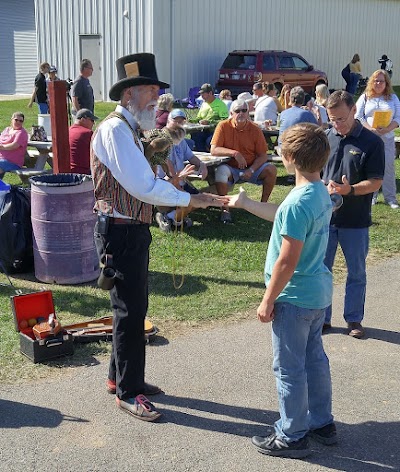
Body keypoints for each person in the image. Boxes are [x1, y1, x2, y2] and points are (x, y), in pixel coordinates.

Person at [91, 53, 226, 422]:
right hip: (119, 231)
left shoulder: (130, 128)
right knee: (130, 310)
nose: (156, 96)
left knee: (132, 308)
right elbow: (142, 186)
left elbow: (145, 181)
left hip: (130, 228)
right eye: (151, 89)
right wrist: (190, 198)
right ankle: (129, 392)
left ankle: (119, 377)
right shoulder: (116, 130)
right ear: (131, 92)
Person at [228, 123, 335, 459]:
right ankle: (321, 422)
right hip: (317, 294)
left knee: (289, 368)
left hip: (294, 298)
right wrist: (245, 203)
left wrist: (267, 299)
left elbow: (286, 263)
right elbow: (283, 217)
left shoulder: (297, 202)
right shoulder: (318, 192)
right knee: (314, 358)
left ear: (288, 158)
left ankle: (292, 434)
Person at [322, 90, 385, 338]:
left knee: (356, 272)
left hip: (355, 221)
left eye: (341, 118)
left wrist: (349, 190)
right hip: (326, 218)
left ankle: (354, 319)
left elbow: (375, 182)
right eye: (332, 119)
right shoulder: (327, 137)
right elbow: (315, 171)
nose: (337, 124)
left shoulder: (372, 142)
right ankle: (323, 319)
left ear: (354, 111)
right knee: (322, 270)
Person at [211, 99, 277, 223]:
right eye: (237, 111)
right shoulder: (223, 125)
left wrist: (251, 170)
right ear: (231, 113)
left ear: (248, 113)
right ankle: (225, 209)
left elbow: (263, 155)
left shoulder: (255, 129)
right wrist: (235, 153)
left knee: (271, 169)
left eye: (244, 110)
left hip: (252, 167)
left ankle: (262, 206)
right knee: (220, 171)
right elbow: (214, 150)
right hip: (231, 167)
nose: (241, 113)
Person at [155, 109, 209, 232]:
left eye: (182, 121)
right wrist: (182, 186)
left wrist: (202, 164)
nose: (179, 123)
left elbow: (190, 157)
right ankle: (171, 216)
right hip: (165, 183)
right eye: (176, 120)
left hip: (178, 180)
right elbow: (170, 174)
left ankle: (172, 216)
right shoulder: (161, 140)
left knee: (201, 197)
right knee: (193, 200)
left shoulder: (180, 138)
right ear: (168, 121)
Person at [355, 70, 400, 209]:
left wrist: (387, 129)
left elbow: (398, 117)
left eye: (381, 81)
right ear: (371, 82)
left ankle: (390, 198)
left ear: (386, 83)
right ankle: (371, 195)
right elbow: (358, 116)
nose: (379, 83)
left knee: (388, 167)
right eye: (376, 81)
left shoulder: (393, 98)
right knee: (370, 167)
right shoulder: (365, 97)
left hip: (387, 137)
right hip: (369, 138)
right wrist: (370, 129)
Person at [190, 83, 228, 151]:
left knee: (209, 141)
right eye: (200, 94)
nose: (201, 96)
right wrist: (190, 121)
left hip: (215, 131)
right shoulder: (204, 104)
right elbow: (199, 118)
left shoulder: (220, 104)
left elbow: (225, 121)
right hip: (203, 131)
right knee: (195, 136)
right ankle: (201, 155)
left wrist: (209, 122)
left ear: (210, 93)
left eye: (203, 94)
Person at [0, 112, 29, 179]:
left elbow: (14, 145)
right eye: (16, 120)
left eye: (21, 121)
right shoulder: (7, 130)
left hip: (13, 162)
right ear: (12, 119)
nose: (18, 122)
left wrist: (1, 147)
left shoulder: (22, 133)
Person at [69, 108, 98, 175]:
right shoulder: (87, 133)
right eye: (92, 120)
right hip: (83, 173)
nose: (93, 123)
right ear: (83, 119)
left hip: (67, 171)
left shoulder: (68, 131)